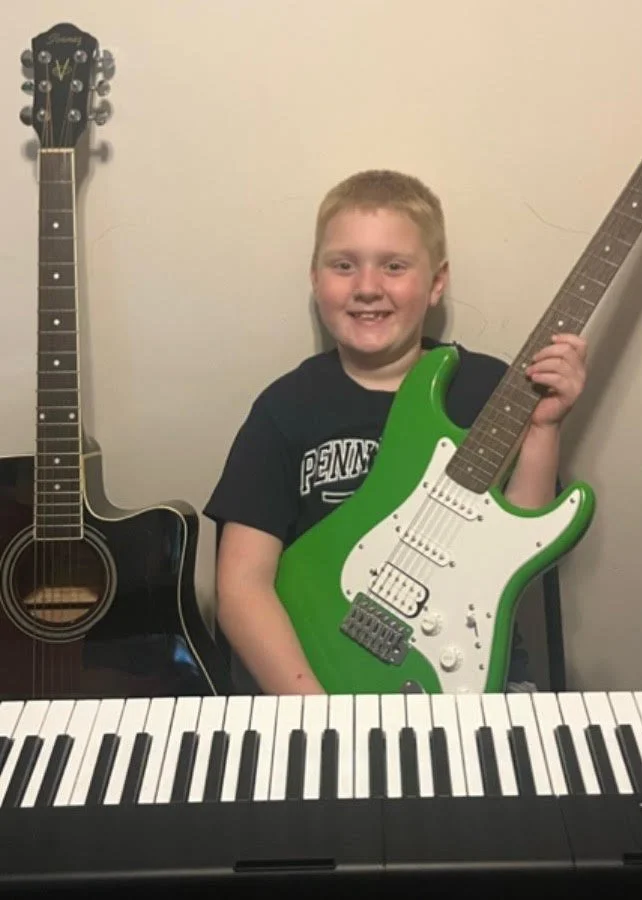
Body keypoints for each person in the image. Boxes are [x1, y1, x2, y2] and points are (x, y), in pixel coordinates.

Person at [203, 169, 587, 696]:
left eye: (394, 266)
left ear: (436, 283)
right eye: (344, 265)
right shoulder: (285, 408)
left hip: (472, 670)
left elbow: (523, 547)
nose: (366, 288)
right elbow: (242, 587)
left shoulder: (490, 389)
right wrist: (318, 712)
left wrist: (544, 427)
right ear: (315, 279)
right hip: (312, 680)